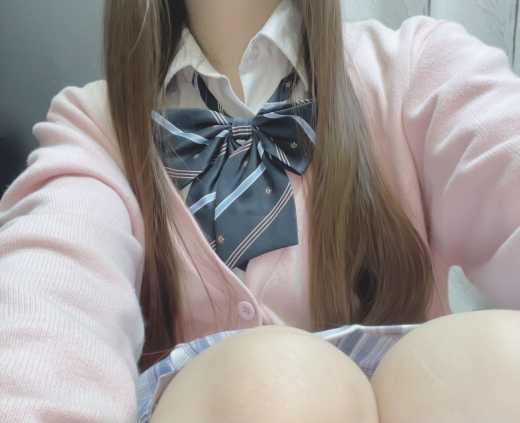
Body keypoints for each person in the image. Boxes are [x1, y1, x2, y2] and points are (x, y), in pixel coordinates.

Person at [0, 0, 519, 421]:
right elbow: (47, 307)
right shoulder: (98, 128)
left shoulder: (420, 68)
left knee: (490, 361)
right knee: (270, 384)